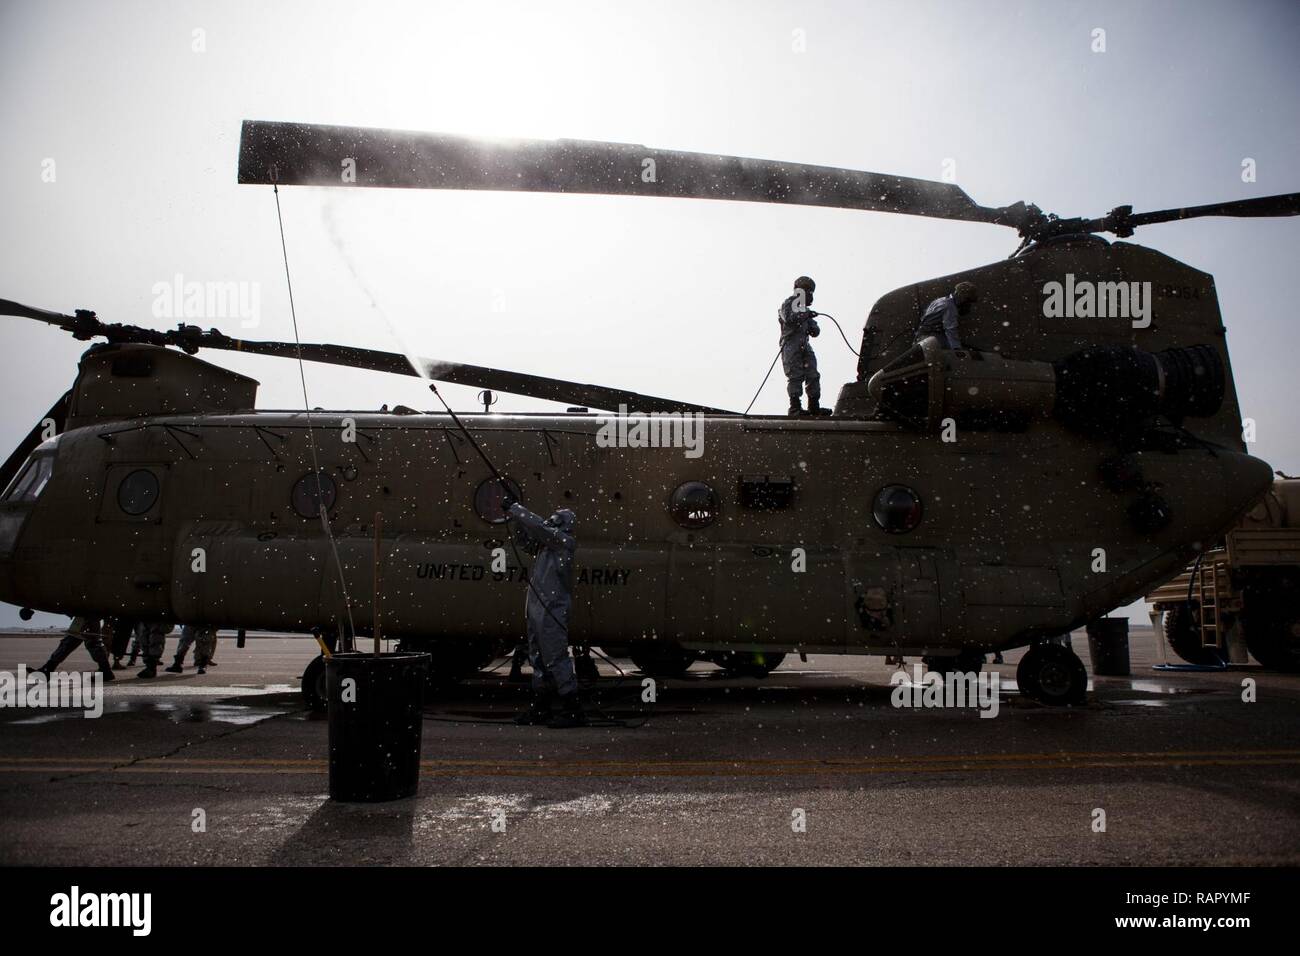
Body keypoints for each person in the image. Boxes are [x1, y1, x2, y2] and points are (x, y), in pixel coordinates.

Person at [499, 494, 586, 728]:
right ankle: (541, 707)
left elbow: (539, 528)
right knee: (538, 657)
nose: (549, 523)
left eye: (553, 521)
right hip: (539, 608)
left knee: (555, 657)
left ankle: (572, 707)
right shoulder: (546, 548)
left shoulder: (563, 543)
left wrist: (516, 509)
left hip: (552, 609)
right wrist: (515, 518)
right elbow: (526, 539)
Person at [778, 276, 825, 416]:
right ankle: (795, 407)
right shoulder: (789, 303)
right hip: (791, 345)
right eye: (808, 291)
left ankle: (814, 406)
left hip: (804, 346)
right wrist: (806, 314)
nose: (810, 295)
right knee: (795, 376)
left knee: (813, 374)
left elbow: (815, 331)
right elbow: (790, 318)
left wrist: (811, 320)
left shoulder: (803, 308)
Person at [34, 616, 115, 681]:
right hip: (88, 613)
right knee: (87, 641)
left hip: (87, 613)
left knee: (74, 640)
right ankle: (106, 671)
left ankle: (47, 670)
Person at [914, 281, 979, 350]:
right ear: (960, 294)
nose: (967, 303)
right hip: (930, 339)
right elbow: (950, 330)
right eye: (967, 299)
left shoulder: (940, 300)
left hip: (921, 337)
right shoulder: (950, 307)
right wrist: (957, 349)